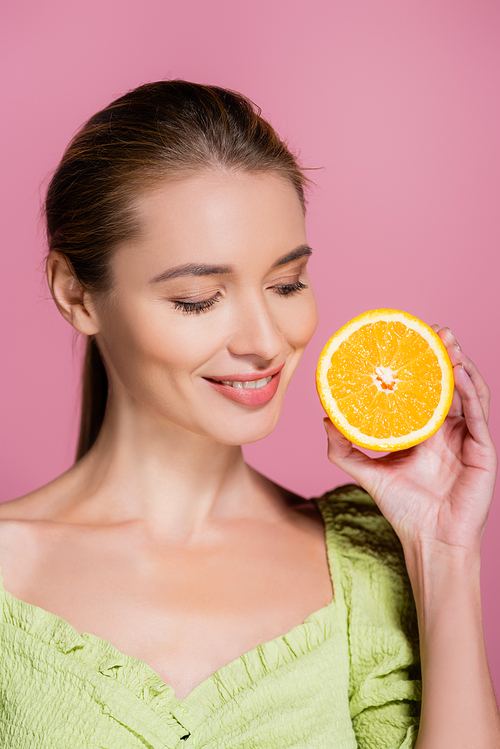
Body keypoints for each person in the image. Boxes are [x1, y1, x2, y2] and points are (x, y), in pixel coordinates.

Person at [0, 80, 498, 749]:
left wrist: (444, 550)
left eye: (287, 284)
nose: (265, 341)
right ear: (76, 294)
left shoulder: (361, 566)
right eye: (199, 298)